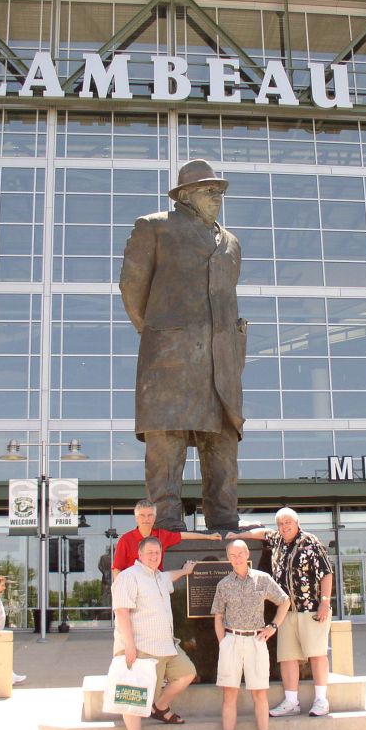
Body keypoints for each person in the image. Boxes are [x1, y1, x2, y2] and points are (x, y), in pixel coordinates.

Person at [120, 159, 247, 536]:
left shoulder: (232, 243)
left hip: (220, 363)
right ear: (186, 196)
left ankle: (225, 525)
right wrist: (162, 334)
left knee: (222, 444)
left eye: (220, 191)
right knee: (167, 445)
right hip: (169, 362)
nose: (217, 198)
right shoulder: (155, 228)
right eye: (210, 191)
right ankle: (167, 527)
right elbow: (133, 289)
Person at [228, 506, 335, 718]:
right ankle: (291, 701)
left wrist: (325, 602)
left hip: (310, 609)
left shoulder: (310, 542)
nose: (284, 527)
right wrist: (239, 535)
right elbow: (261, 533)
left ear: (297, 523)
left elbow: (326, 573)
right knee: (287, 656)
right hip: (286, 610)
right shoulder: (276, 539)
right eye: (280, 524)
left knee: (317, 654)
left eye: (288, 523)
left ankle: (321, 700)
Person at [112, 536, 198, 730]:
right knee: (134, 696)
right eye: (149, 552)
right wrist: (129, 646)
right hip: (141, 648)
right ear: (139, 555)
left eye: (157, 553)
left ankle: (159, 707)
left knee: (187, 673)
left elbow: (170, 576)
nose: (154, 556)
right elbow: (121, 612)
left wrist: (185, 570)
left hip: (167, 645)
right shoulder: (128, 577)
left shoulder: (159, 577)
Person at [210, 540, 291, 730]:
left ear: (247, 555)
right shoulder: (224, 584)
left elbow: (284, 602)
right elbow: (218, 616)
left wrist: (273, 626)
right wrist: (223, 643)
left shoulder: (262, 579)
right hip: (232, 640)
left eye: (240, 553)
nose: (236, 558)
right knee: (229, 695)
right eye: (232, 555)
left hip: (256, 640)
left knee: (259, 694)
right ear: (228, 558)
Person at [111, 499, 220, 580]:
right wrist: (121, 592)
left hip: (155, 586)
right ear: (136, 518)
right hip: (133, 589)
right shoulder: (125, 540)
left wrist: (208, 536)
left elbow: (183, 535)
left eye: (150, 515)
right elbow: (117, 569)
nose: (146, 519)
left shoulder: (161, 536)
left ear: (154, 518)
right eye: (142, 515)